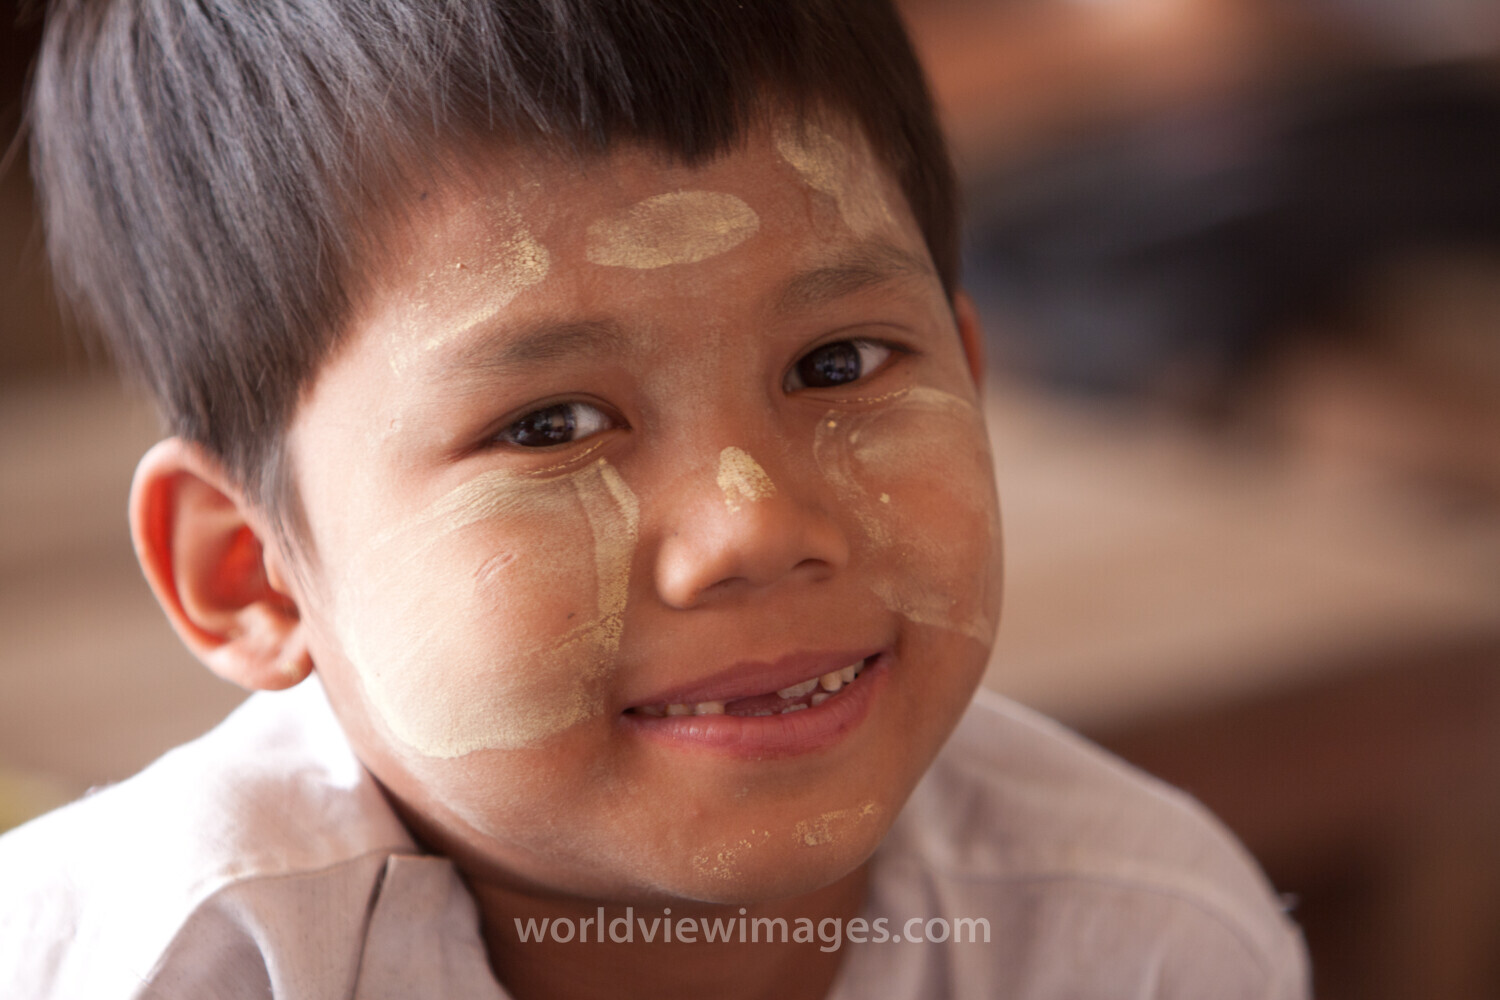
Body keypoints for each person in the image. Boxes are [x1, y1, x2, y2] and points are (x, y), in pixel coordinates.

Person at [0, 1, 1310, 997]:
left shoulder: (1137, 940)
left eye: (836, 363)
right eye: (550, 425)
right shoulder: (155, 960)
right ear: (252, 572)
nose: (752, 527)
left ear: (972, 381)